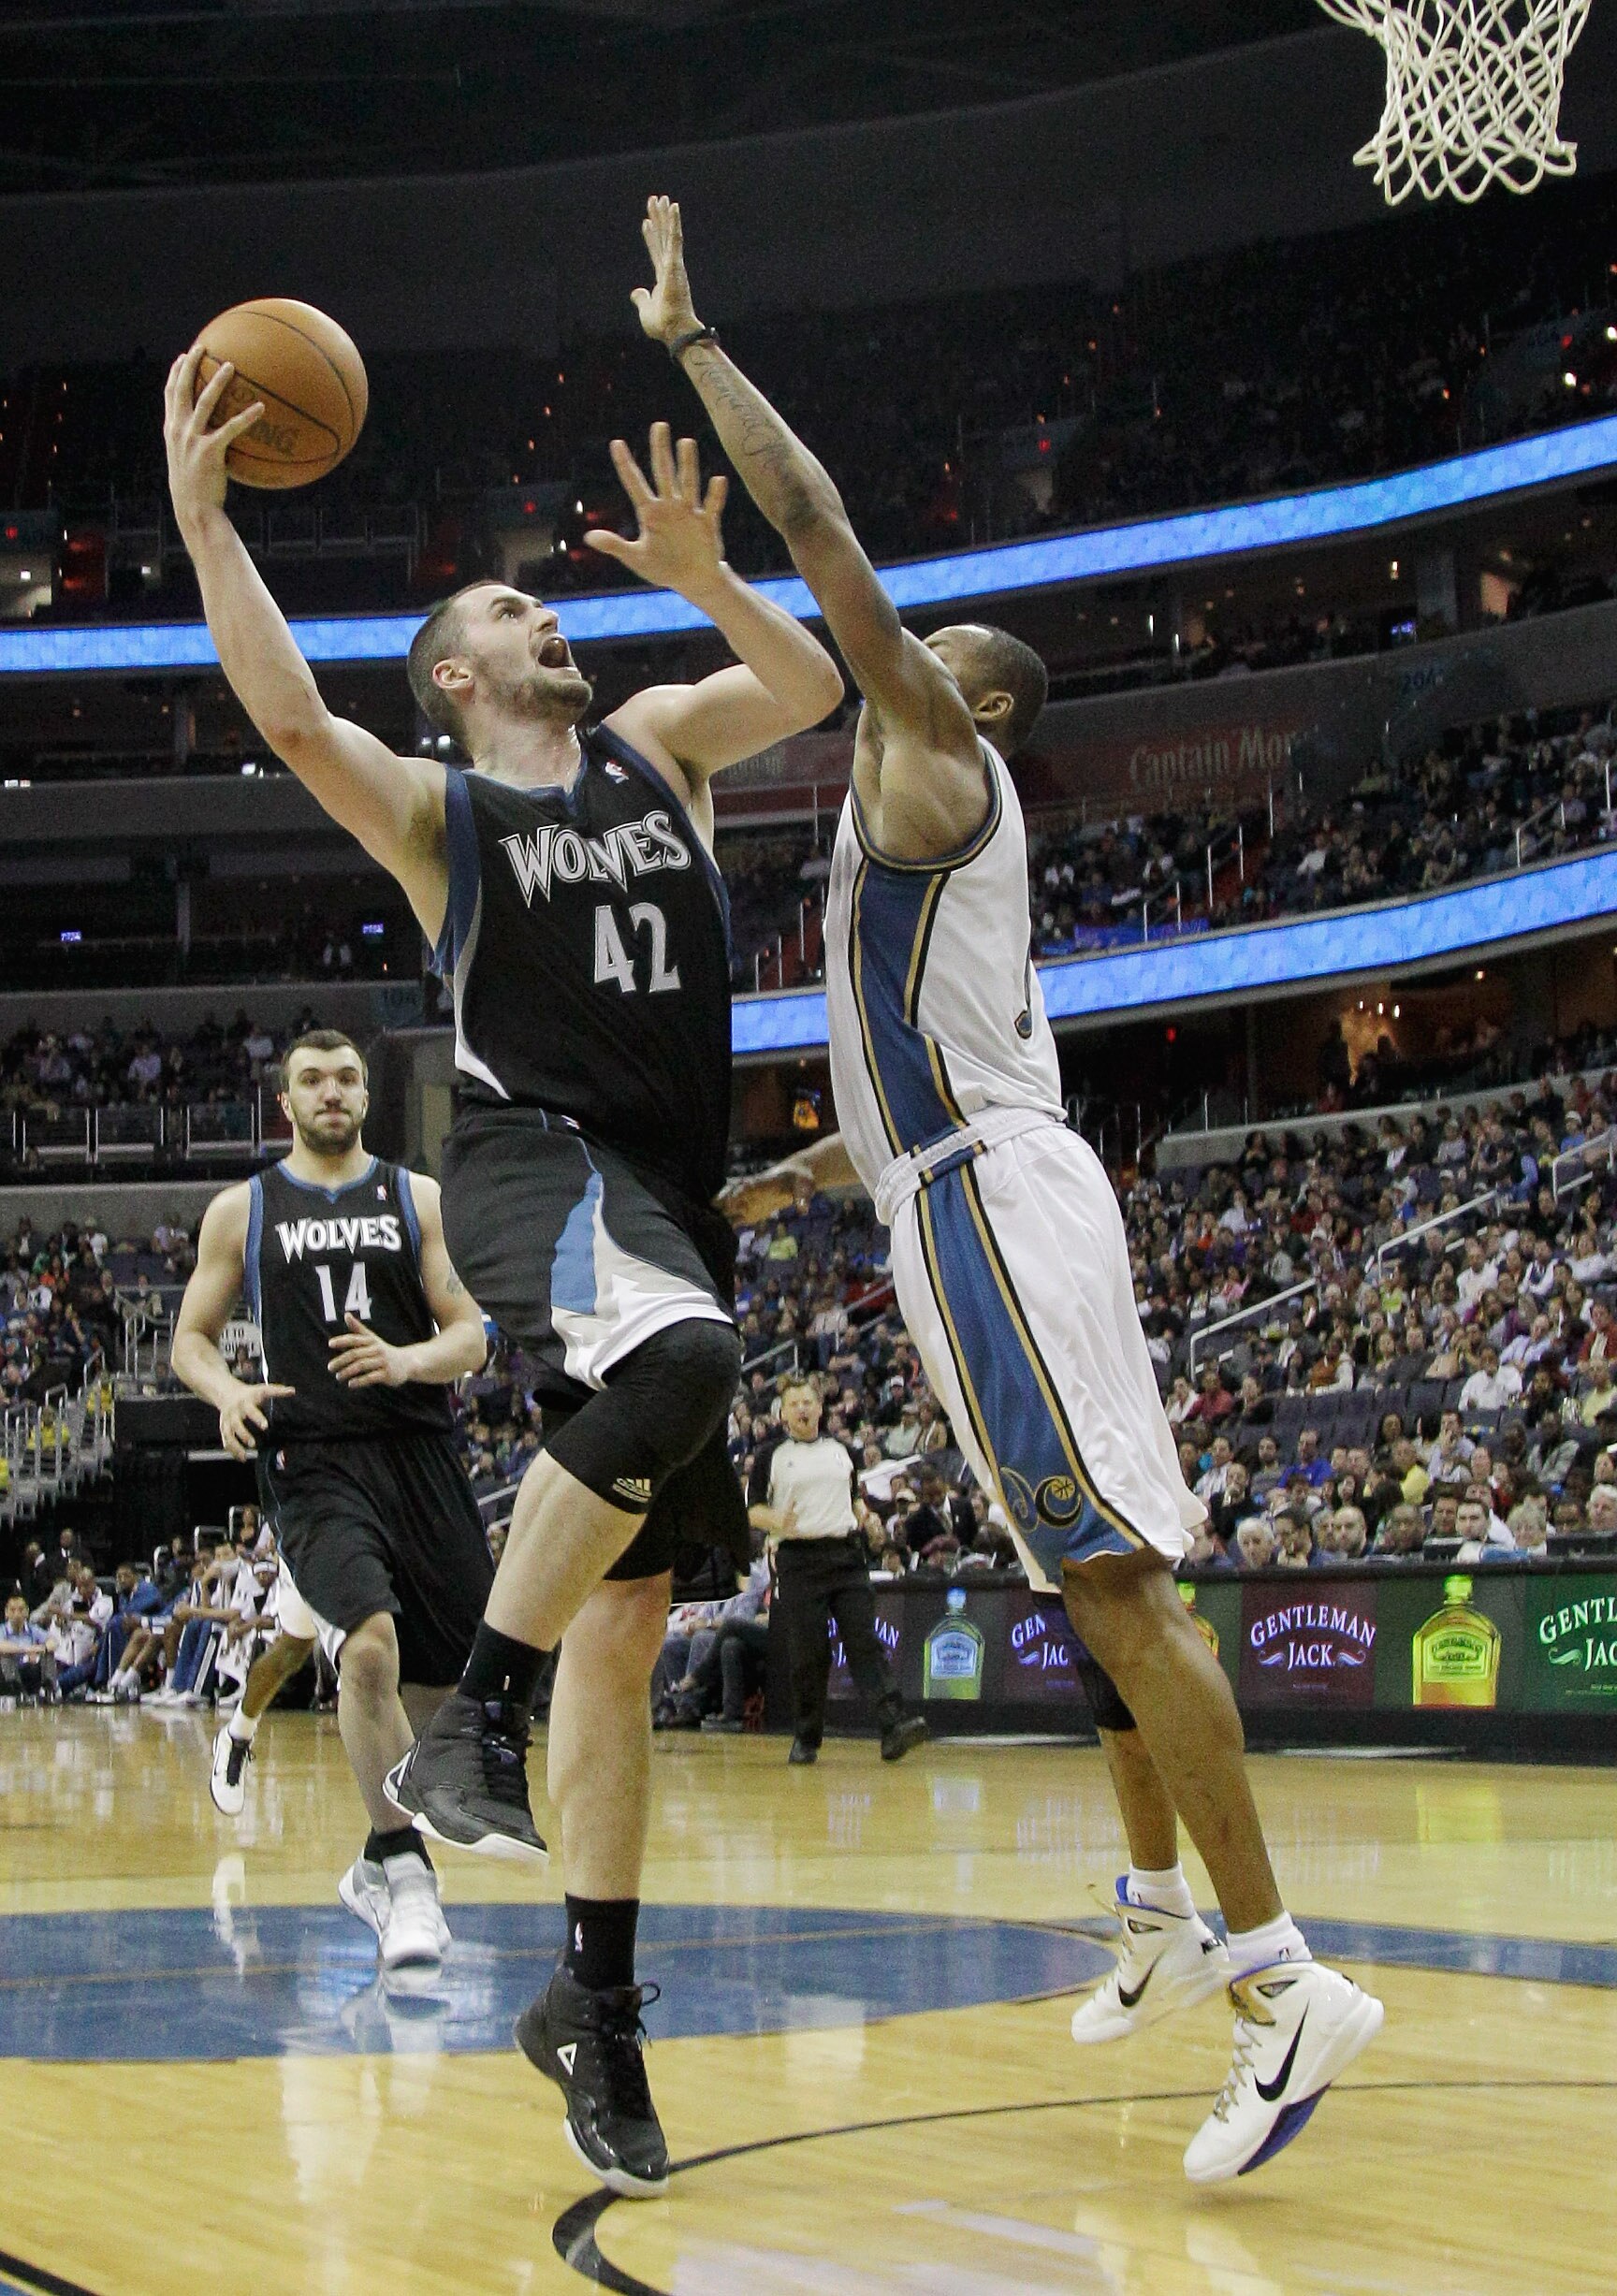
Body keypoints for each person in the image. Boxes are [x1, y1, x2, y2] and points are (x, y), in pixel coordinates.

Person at [639, 195, 1382, 2181]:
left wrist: (704, 352)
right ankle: (1156, 1910)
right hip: (949, 1190)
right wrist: (771, 1191)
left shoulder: (941, 769)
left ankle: (1287, 1980)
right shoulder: (916, 839)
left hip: (994, 1204)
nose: (904, 649)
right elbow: (887, 1107)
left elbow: (830, 552)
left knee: (1123, 1592)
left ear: (971, 705)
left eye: (928, 651)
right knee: (1087, 1580)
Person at [165, 342, 841, 2202]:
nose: (556, 625)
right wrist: (209, 523)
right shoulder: (439, 814)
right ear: (456, 677)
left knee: (630, 1620)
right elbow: (295, 711)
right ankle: (475, 1726)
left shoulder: (664, 744)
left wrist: (707, 576)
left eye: (558, 610)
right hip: (537, 1159)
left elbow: (813, 679)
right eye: (517, 613)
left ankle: (594, 2014)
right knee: (691, 1360)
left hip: (669, 1192)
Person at [170, 1028, 490, 1973]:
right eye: (312, 1079)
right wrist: (226, 1392)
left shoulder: (416, 1195)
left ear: (364, 1095)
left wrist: (408, 1360)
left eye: (347, 1076)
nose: (333, 1091)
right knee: (368, 1650)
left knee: (446, 1689)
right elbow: (191, 1336)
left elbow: (471, 1333)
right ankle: (404, 1870)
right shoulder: (243, 1208)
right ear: (287, 1102)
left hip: (419, 1450)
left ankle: (372, 1858)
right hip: (310, 1457)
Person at [748, 1376, 925, 1765]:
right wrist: (779, 1519)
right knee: (810, 1655)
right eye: (793, 1403)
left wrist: (866, 1517)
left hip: (845, 1555)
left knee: (863, 1640)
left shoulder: (843, 1451)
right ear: (783, 1413)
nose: (802, 1409)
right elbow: (753, 1511)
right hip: (798, 1559)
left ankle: (894, 1724)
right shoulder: (769, 1456)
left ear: (820, 1406)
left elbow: (850, 1498)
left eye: (808, 1401)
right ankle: (807, 1737)